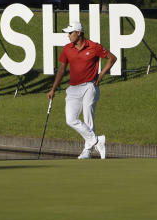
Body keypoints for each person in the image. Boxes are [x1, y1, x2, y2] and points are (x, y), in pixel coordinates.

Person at [47, 21, 118, 159]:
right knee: (70, 119)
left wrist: (101, 75)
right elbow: (62, 69)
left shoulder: (94, 46)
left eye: (70, 33)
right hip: (73, 88)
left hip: (90, 86)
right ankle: (97, 140)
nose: (68, 36)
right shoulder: (67, 48)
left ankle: (88, 150)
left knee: (87, 118)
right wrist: (53, 89)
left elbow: (112, 58)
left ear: (78, 33)